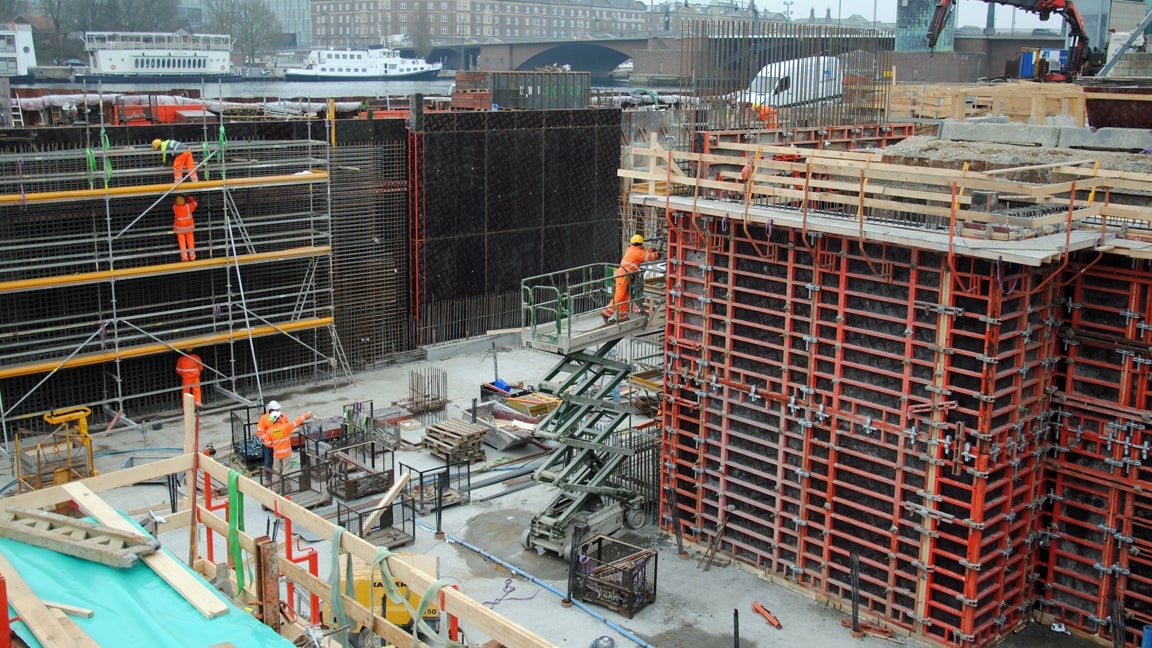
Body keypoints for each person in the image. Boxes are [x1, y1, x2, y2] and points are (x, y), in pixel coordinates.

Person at [601, 234, 660, 323]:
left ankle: (622, 316)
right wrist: (657, 254)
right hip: (623, 277)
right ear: (640, 244)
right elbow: (649, 257)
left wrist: (651, 250)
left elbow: (643, 253)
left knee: (625, 297)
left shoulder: (632, 250)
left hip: (625, 276)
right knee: (619, 296)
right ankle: (606, 313)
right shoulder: (636, 253)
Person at [262, 402, 312, 476]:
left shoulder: (269, 431)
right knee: (286, 470)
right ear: (277, 419)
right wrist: (306, 415)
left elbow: (266, 443)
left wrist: (274, 445)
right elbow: (296, 422)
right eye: (279, 417)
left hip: (276, 454)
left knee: (276, 471)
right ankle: (286, 485)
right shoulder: (285, 427)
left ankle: (277, 486)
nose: (281, 417)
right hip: (286, 453)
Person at [172, 195, 198, 261]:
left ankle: (184, 258)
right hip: (189, 229)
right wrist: (191, 200)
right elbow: (195, 204)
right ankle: (192, 257)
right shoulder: (188, 206)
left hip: (180, 230)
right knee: (190, 242)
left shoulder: (175, 207)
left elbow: (174, 204)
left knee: (182, 243)